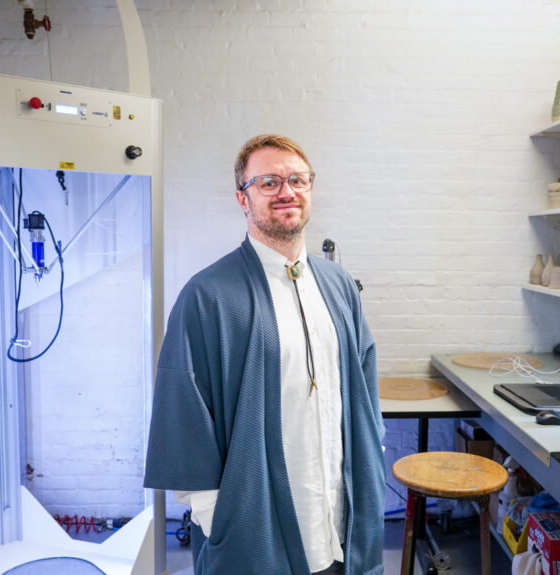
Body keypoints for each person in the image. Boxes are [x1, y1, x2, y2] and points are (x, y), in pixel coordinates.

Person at [144, 134, 385, 575]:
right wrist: (215, 516)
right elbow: (184, 410)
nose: (286, 192)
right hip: (254, 527)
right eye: (269, 182)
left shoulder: (339, 285)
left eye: (297, 180)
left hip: (338, 516)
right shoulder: (208, 296)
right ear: (243, 197)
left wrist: (371, 463)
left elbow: (365, 387)